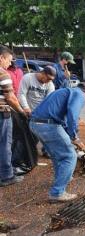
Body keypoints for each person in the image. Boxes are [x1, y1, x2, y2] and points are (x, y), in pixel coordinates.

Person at [29, 82, 85, 202]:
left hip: (35, 124)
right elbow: (72, 114)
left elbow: (65, 120)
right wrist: (75, 138)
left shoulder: (64, 91)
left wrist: (72, 135)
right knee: (70, 156)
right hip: (48, 125)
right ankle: (57, 193)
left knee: (57, 154)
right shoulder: (79, 94)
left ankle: (62, 177)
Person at [0, 45, 27, 187]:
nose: (10, 64)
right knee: (4, 144)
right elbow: (10, 98)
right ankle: (6, 176)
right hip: (2, 113)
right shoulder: (3, 73)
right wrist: (21, 111)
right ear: (1, 58)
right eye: (9, 60)